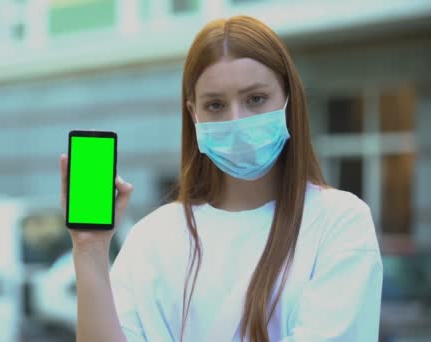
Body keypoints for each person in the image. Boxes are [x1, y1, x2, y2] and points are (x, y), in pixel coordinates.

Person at [59, 15, 383, 342]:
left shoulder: (339, 222)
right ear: (193, 113)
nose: (236, 121)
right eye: (215, 105)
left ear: (288, 99)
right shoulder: (152, 238)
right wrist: (90, 250)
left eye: (255, 99)